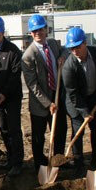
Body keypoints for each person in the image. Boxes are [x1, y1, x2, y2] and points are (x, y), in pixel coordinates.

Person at [62, 27, 96, 178]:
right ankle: (78, 164)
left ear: (85, 43)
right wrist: (84, 112)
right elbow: (73, 93)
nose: (75, 51)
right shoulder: (68, 67)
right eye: (72, 48)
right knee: (78, 133)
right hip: (76, 103)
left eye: (77, 47)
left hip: (94, 98)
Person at [22, 14, 68, 175]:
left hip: (57, 95)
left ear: (46, 29)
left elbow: (65, 49)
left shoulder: (54, 45)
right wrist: (48, 103)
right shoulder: (28, 55)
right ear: (31, 33)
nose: (38, 33)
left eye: (40, 29)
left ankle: (57, 160)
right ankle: (40, 165)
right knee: (38, 136)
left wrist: (63, 56)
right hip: (40, 103)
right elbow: (32, 85)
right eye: (34, 31)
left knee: (60, 130)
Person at [0, 15, 24, 176]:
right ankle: (10, 158)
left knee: (14, 128)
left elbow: (15, 75)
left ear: (3, 33)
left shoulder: (13, 51)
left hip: (12, 96)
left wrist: (4, 93)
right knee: (3, 129)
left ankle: (17, 162)